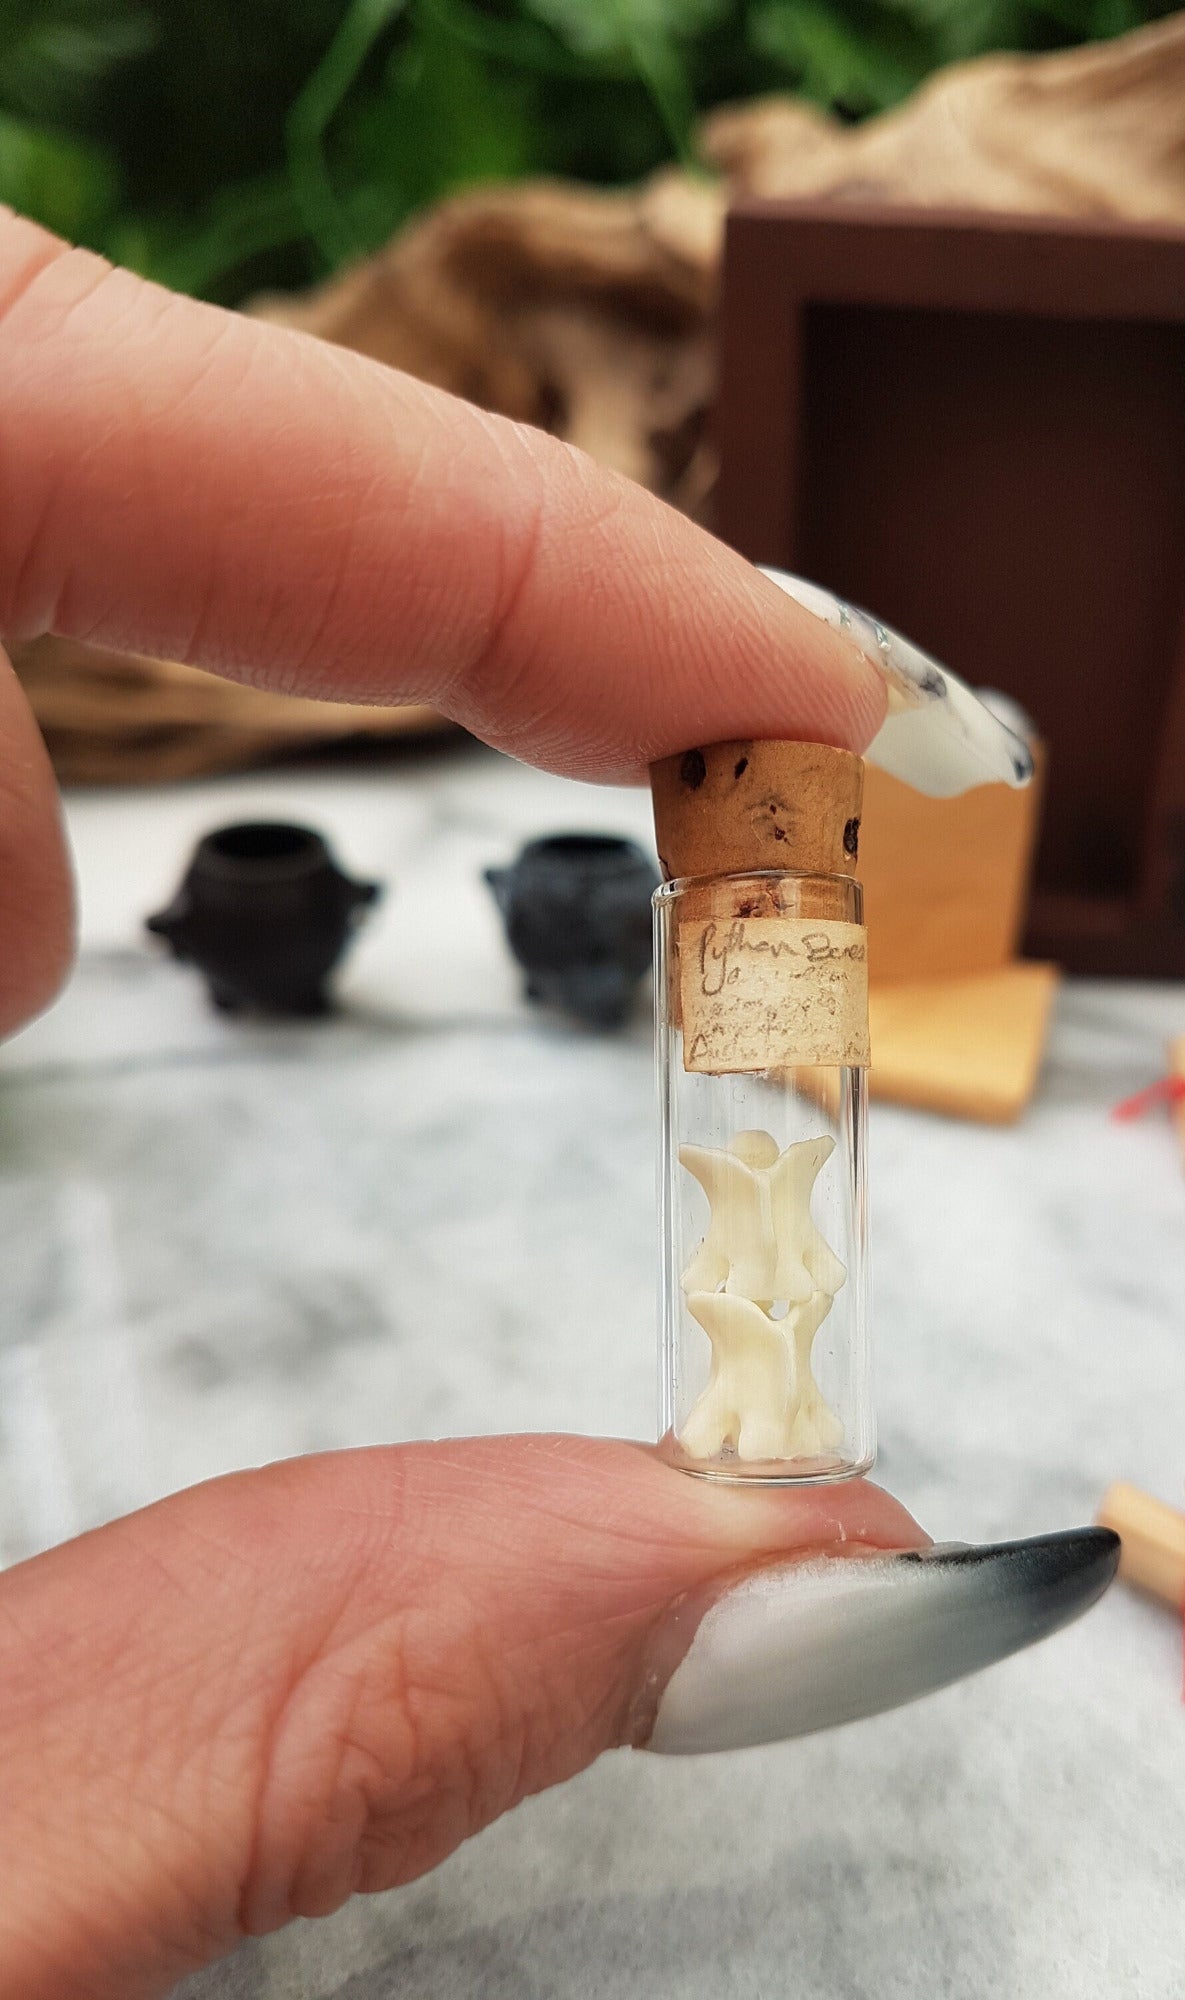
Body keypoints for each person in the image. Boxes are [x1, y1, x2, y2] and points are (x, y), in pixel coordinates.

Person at [0, 209, 1114, 2000]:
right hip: (752, 1383)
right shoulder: (730, 909)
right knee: (753, 1223)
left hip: (785, 1399)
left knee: (783, 1224)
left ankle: (764, 1451)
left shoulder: (794, 914)